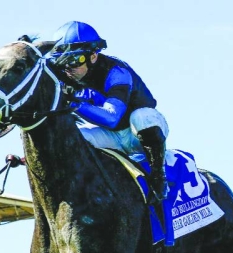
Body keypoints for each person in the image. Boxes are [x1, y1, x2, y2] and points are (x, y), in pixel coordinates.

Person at [46, 21, 170, 203]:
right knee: (72, 137)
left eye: (75, 60)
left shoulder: (116, 72)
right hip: (111, 137)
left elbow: (112, 118)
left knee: (141, 117)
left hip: (137, 132)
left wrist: (74, 104)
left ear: (93, 56)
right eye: (62, 62)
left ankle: (159, 177)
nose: (68, 68)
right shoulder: (65, 74)